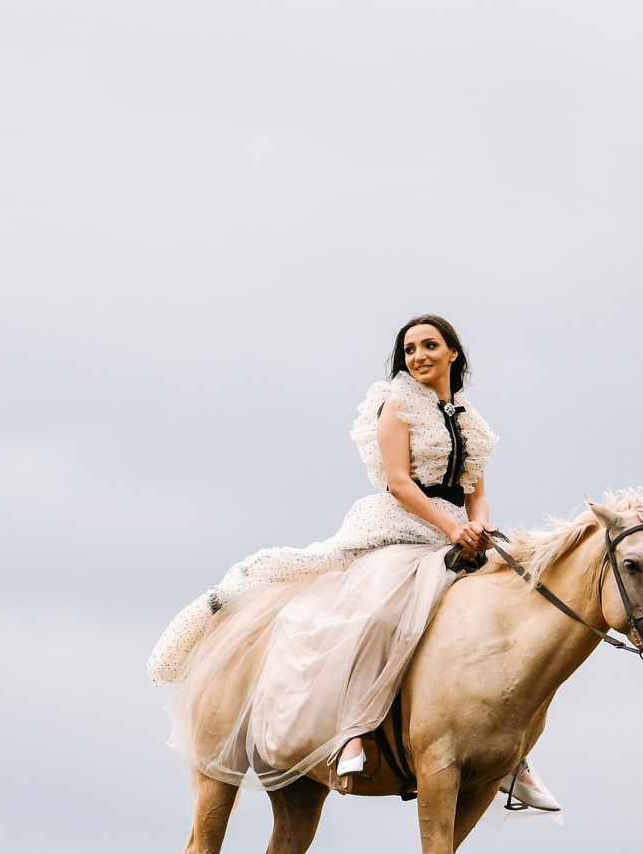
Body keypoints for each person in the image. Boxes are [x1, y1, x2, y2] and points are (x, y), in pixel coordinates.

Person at [147, 314, 561, 811]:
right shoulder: (395, 404)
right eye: (409, 349)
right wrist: (453, 529)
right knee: (382, 612)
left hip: (459, 536)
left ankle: (511, 757)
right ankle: (353, 730)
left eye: (429, 345)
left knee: (503, 624)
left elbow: (476, 491)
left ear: (453, 353)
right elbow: (399, 483)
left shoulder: (472, 420)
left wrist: (480, 528)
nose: (418, 356)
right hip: (400, 529)